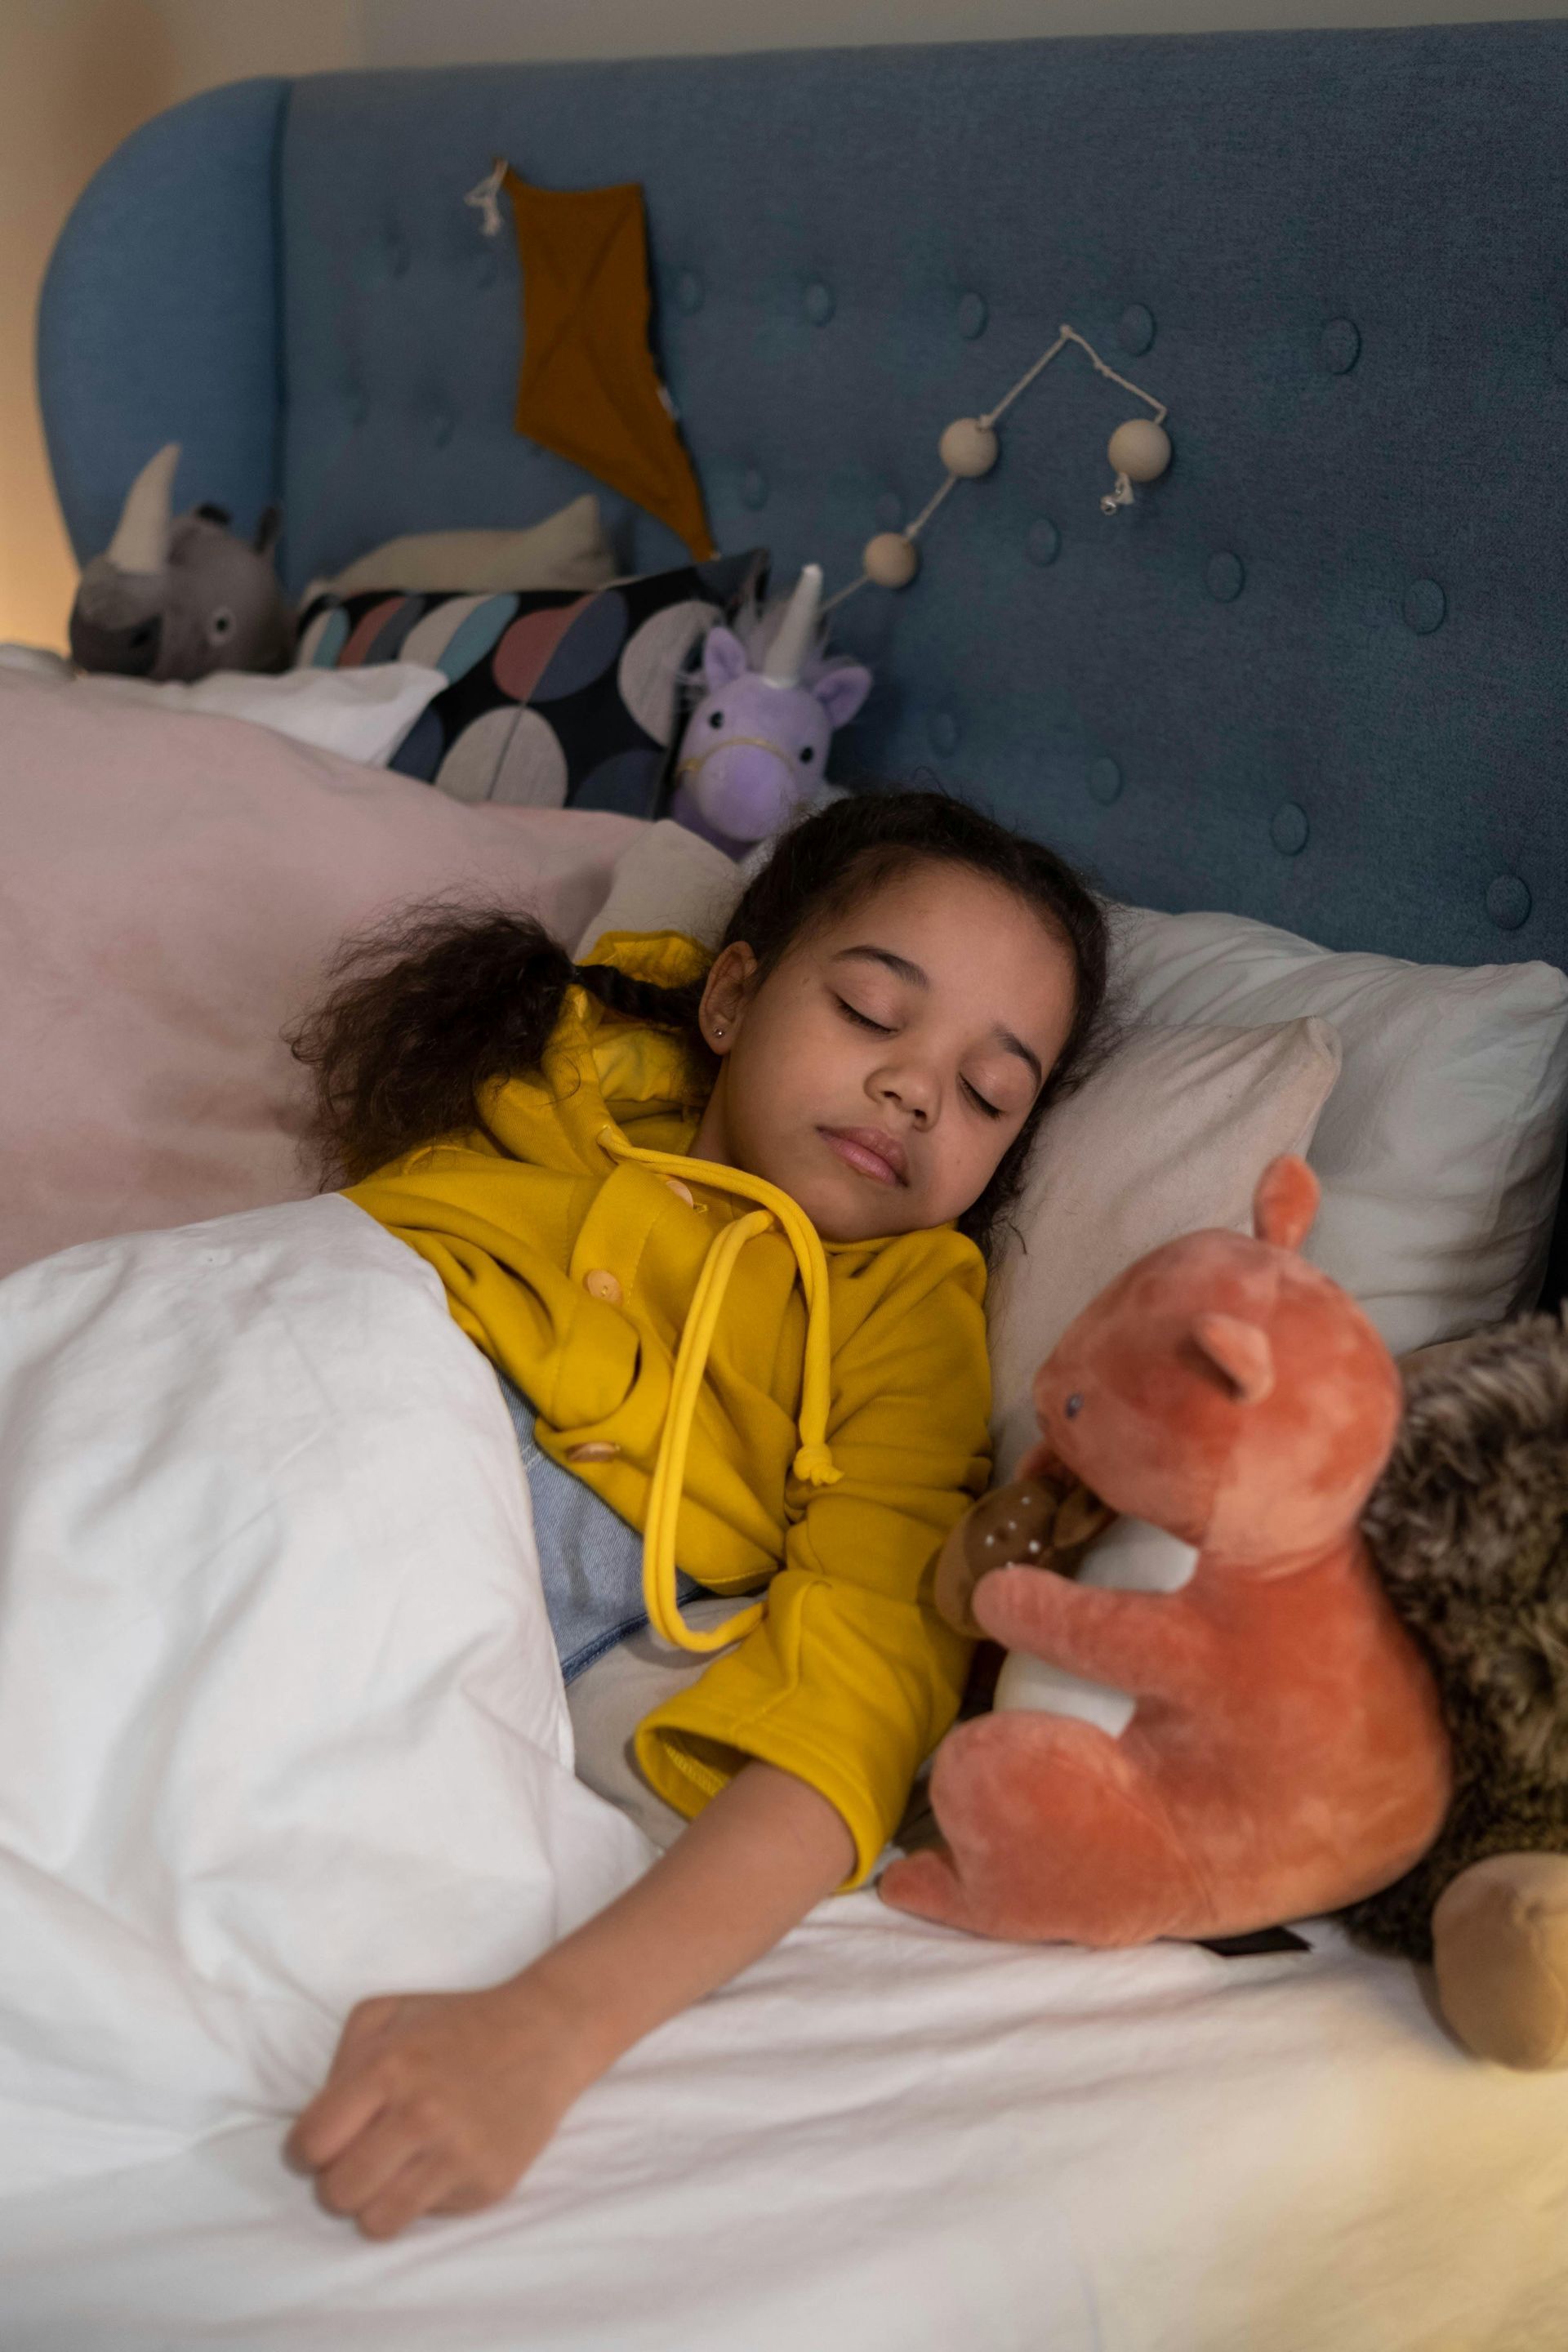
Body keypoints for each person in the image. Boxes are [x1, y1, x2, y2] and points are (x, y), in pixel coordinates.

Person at [283, 789, 1111, 2238]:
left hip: (486, 1563)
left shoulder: (906, 1316)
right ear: (731, 995)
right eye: (872, 1012)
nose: (920, 1091)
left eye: (989, 1094)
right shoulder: (559, 1086)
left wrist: (550, 2028)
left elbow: (859, 1691)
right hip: (318, 1360)